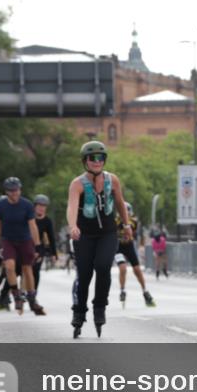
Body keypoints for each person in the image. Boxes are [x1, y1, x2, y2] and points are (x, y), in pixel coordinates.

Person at [66, 140, 131, 338]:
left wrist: (126, 225)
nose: (97, 161)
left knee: (103, 266)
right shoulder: (77, 184)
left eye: (100, 158)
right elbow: (71, 206)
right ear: (85, 161)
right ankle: (79, 312)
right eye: (92, 158)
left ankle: (99, 307)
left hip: (108, 233)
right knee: (84, 275)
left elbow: (120, 203)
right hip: (84, 234)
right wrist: (73, 226)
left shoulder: (113, 180)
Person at [0, 177, 46, 316]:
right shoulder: (1, 206)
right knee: (9, 267)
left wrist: (38, 245)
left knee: (27, 268)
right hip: (8, 240)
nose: (15, 193)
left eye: (17, 190)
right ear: (6, 192)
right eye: (11, 191)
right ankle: (16, 295)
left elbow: (33, 226)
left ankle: (32, 297)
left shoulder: (27, 205)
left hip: (25, 240)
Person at [116, 202, 155, 308]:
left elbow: (130, 227)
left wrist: (123, 223)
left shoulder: (133, 221)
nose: (126, 214)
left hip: (129, 246)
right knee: (123, 268)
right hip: (118, 247)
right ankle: (122, 290)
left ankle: (145, 291)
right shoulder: (115, 220)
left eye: (127, 212)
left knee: (137, 270)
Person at [31, 194, 58, 293]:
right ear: (35, 206)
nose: (41, 208)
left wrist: (54, 254)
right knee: (24, 270)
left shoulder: (47, 221)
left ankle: (33, 293)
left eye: (44, 206)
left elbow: (51, 238)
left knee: (36, 270)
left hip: (39, 248)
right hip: (26, 246)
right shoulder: (29, 218)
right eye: (39, 206)